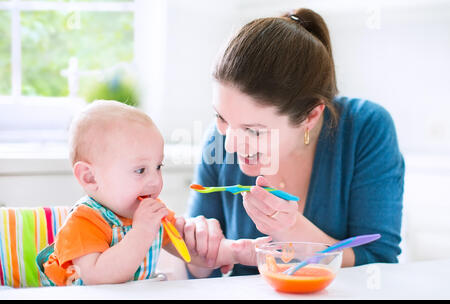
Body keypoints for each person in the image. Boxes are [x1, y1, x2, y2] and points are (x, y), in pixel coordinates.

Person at [184, 8, 405, 278]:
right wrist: (198, 254)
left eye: (253, 131)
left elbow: (378, 261)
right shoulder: (217, 140)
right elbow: (197, 273)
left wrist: (289, 230)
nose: (229, 145)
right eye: (221, 116)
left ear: (310, 116)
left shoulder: (365, 129)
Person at [36, 100, 268, 286]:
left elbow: (193, 251)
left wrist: (240, 251)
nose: (155, 181)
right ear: (90, 177)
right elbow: (97, 277)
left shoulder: (150, 214)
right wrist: (141, 233)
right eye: (140, 170)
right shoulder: (82, 223)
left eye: (158, 167)